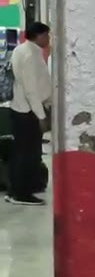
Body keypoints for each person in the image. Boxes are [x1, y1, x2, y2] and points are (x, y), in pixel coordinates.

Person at [5, 22, 51, 206]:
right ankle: (21, 193)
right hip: (28, 111)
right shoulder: (31, 55)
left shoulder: (20, 49)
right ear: (38, 36)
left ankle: (18, 189)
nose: (48, 39)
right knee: (28, 154)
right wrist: (41, 116)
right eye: (47, 35)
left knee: (22, 153)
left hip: (21, 109)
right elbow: (31, 89)